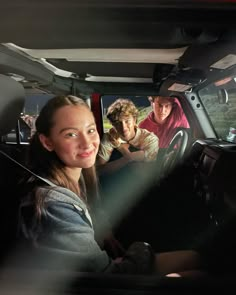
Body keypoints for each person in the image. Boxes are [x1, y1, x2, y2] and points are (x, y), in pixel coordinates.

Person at [17, 95, 214, 277]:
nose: (87, 143)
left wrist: (104, 231)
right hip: (102, 282)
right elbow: (108, 275)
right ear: (47, 142)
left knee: (196, 259)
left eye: (91, 130)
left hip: (99, 270)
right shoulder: (51, 205)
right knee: (202, 275)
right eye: (70, 134)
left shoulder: (79, 177)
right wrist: (140, 248)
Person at [96, 98, 159, 174]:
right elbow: (100, 170)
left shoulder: (150, 139)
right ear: (112, 125)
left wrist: (120, 147)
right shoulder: (109, 138)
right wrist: (127, 158)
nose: (123, 127)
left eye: (127, 121)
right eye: (118, 123)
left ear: (134, 120)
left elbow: (147, 174)